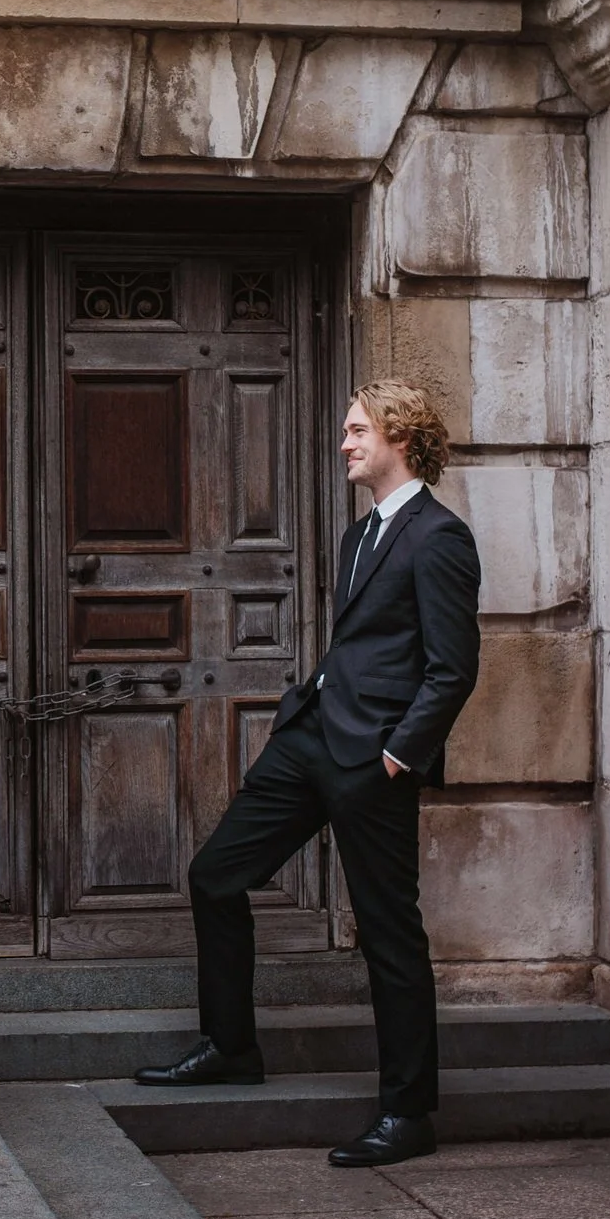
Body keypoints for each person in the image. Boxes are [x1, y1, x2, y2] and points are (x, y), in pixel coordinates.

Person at [133, 380, 479, 1167]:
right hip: (312, 739)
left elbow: (452, 669)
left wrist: (398, 754)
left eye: (359, 430)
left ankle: (408, 1113)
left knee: (389, 932)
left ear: (400, 435)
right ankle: (230, 1047)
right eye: (348, 429)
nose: (346, 442)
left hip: (374, 761)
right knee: (216, 875)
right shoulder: (361, 537)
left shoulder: (440, 538)